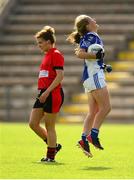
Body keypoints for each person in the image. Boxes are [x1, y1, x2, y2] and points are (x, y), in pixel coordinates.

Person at [67, 15, 111, 157]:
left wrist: (103, 65)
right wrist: (97, 57)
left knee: (93, 111)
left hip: (89, 77)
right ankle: (93, 135)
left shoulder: (90, 36)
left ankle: (83, 139)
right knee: (106, 108)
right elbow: (80, 54)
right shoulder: (92, 35)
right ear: (87, 25)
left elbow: (91, 58)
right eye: (92, 20)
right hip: (94, 77)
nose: (95, 20)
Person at [29, 25, 64, 162]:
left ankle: (50, 156)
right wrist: (43, 92)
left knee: (50, 126)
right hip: (43, 92)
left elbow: (60, 76)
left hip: (52, 93)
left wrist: (47, 92)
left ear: (49, 42)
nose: (39, 45)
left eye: (41, 42)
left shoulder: (56, 54)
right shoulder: (47, 55)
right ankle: (53, 146)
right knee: (33, 123)